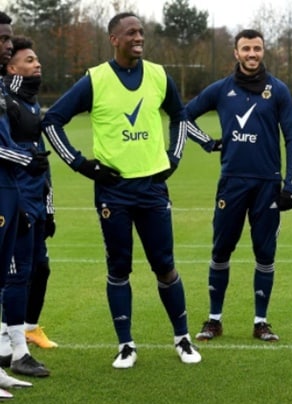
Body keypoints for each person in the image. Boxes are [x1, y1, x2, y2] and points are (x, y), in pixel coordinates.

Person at [41, 12, 201, 368]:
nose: (138, 37)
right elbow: (51, 121)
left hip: (153, 187)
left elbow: (181, 116)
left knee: (165, 265)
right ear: (114, 39)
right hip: (113, 190)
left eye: (141, 32)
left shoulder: (159, 75)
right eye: (131, 33)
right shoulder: (95, 80)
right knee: (119, 268)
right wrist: (82, 164)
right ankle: (126, 345)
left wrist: (173, 156)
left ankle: (183, 338)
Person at [186, 29, 292, 342]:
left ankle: (261, 322)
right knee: (221, 250)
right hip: (232, 183)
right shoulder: (221, 90)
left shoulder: (277, 91)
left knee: (265, 253)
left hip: (268, 186)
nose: (252, 54)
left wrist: (291, 186)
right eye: (246, 49)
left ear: (264, 52)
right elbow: (183, 116)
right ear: (236, 53)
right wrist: (207, 142)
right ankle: (214, 319)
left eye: (257, 49)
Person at [0, 12, 49, 396]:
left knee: (28, 270)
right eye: (4, 39)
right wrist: (25, 160)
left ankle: (13, 349)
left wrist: (47, 202)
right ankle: (13, 349)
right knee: (13, 276)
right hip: (10, 192)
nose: (7, 44)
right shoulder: (8, 94)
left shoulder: (21, 99)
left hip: (24, 195)